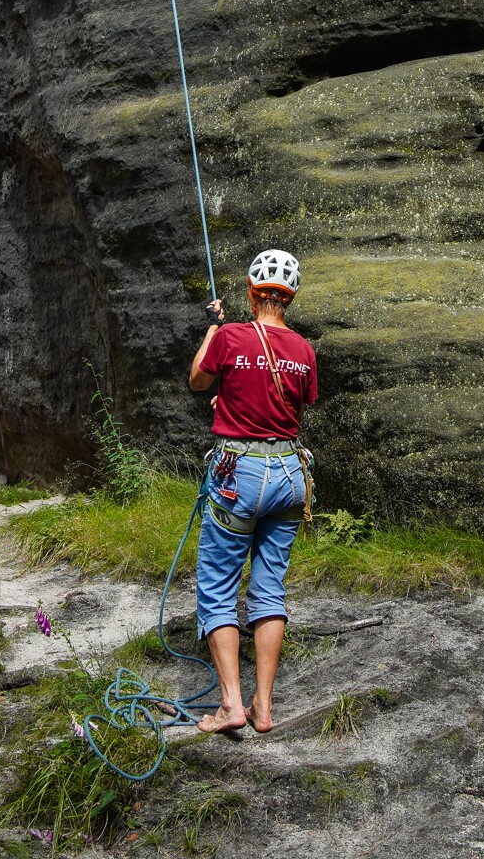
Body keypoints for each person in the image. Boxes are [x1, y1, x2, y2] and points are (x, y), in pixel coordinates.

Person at [189, 247, 317, 734]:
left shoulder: (230, 336)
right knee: (269, 587)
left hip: (238, 474)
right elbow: (293, 414)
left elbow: (198, 380)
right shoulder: (304, 350)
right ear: (290, 298)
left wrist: (212, 327)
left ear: (251, 291)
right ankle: (263, 707)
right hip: (289, 475)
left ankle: (231, 706)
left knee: (218, 584)